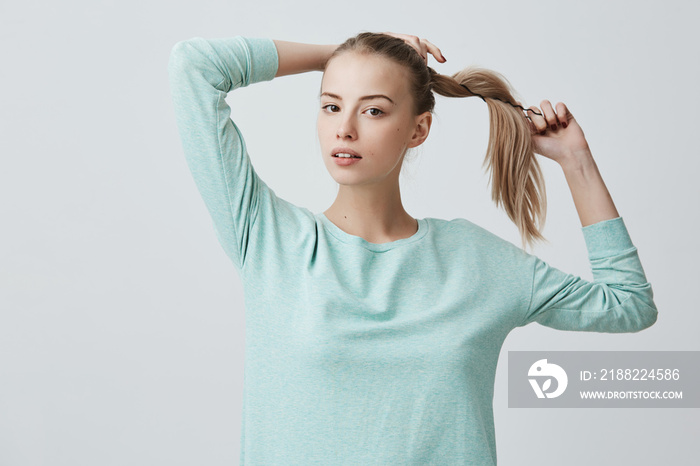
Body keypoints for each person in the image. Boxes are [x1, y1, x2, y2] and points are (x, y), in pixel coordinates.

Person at [167, 31, 657, 465]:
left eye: (374, 109)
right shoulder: (268, 238)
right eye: (331, 105)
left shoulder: (476, 261)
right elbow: (195, 64)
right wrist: (336, 54)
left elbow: (628, 305)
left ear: (418, 129)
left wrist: (577, 162)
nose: (345, 128)